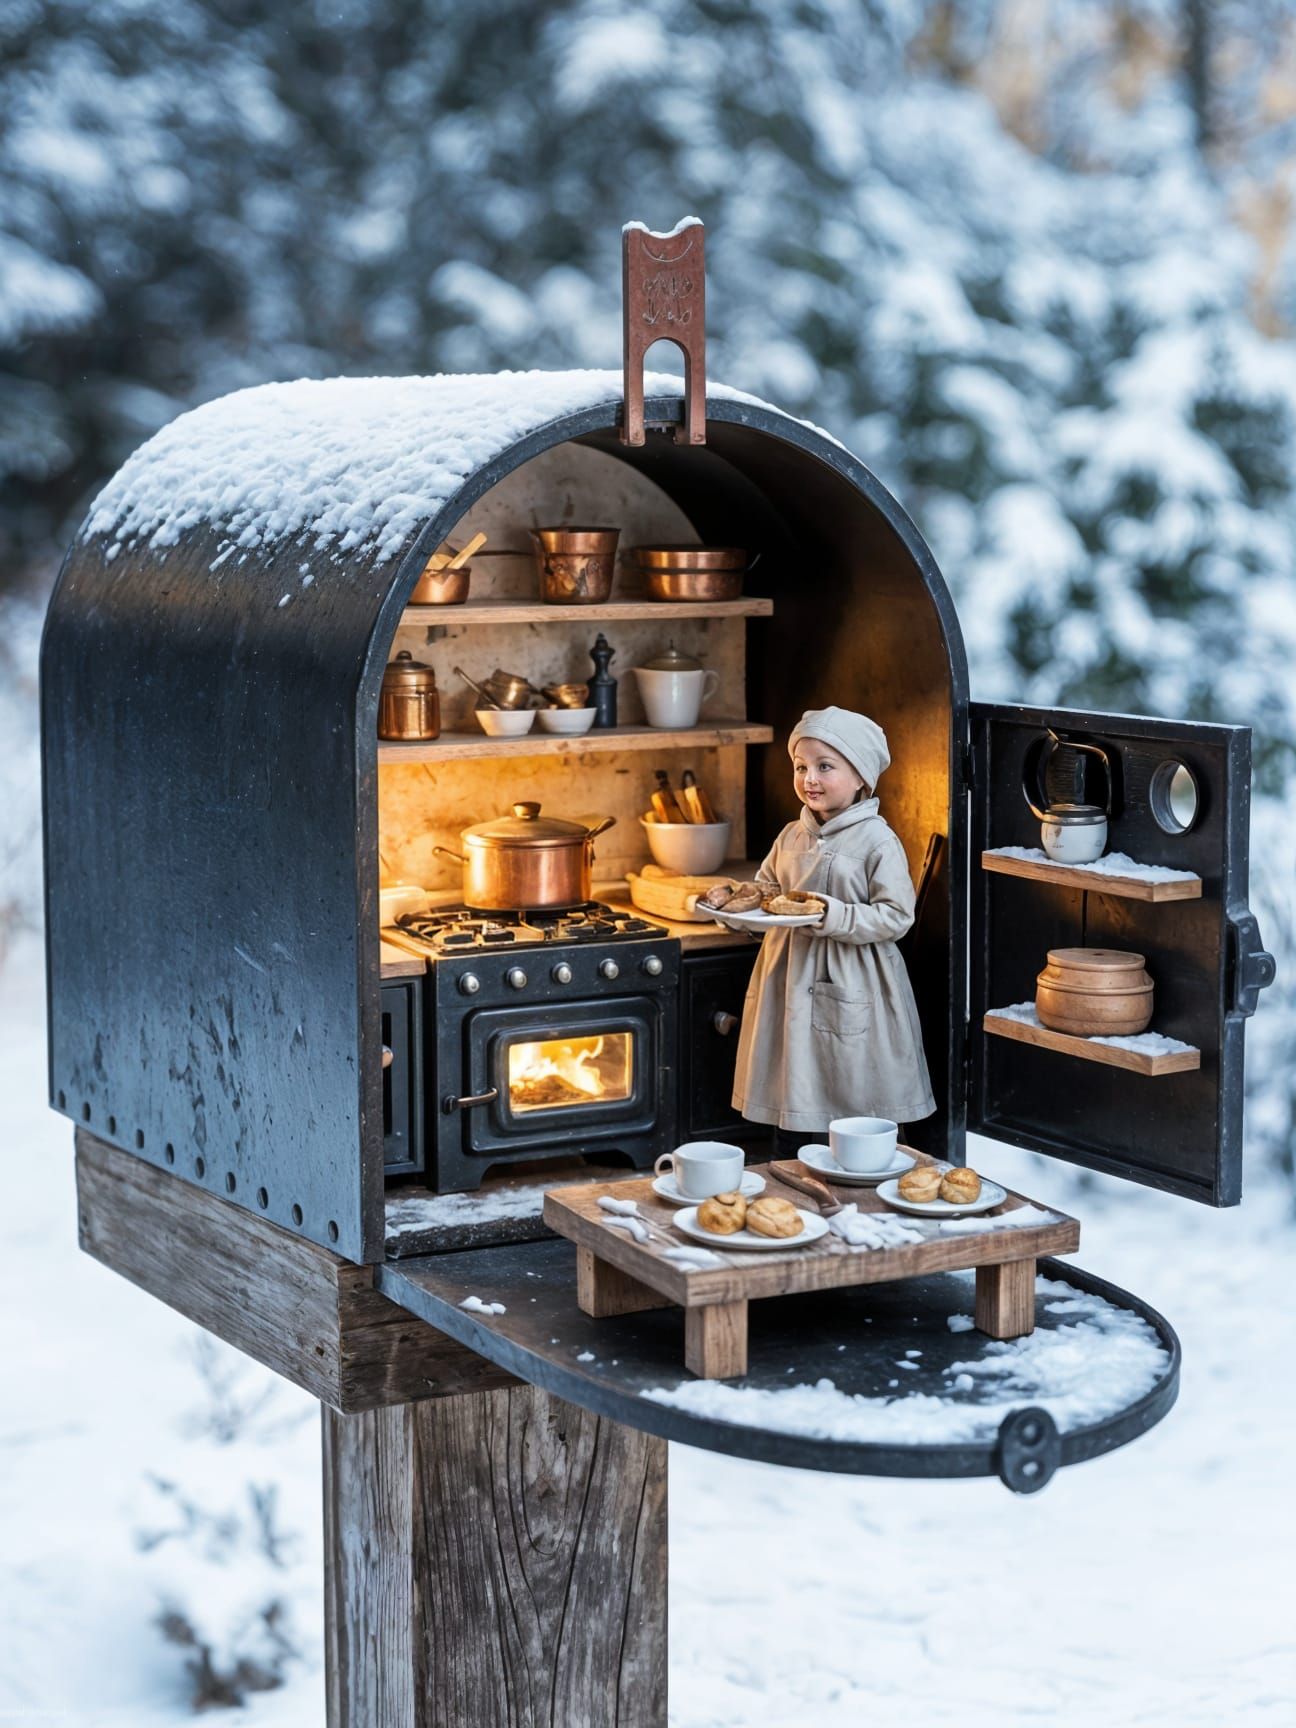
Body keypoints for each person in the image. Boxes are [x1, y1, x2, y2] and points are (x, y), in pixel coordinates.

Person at [731, 706, 936, 1154]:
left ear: (861, 776)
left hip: (854, 978)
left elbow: (896, 915)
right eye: (801, 767)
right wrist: (740, 908)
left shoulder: (876, 840)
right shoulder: (790, 836)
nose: (810, 779)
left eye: (826, 767)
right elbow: (766, 890)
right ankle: (791, 1173)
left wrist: (833, 915)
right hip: (788, 975)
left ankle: (862, 1175)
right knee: (793, 1082)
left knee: (853, 1091)